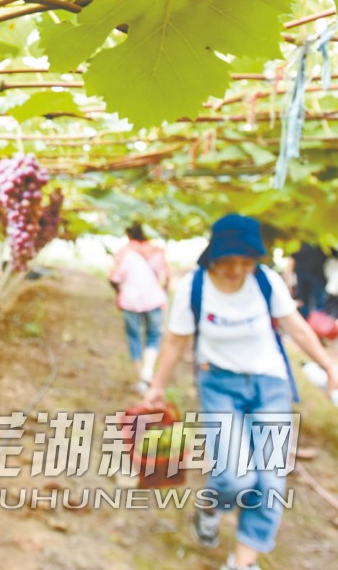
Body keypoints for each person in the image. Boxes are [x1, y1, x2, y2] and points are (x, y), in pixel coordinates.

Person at [143, 214, 338, 570]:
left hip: (270, 384)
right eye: (228, 261)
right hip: (219, 384)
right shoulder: (195, 287)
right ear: (213, 255)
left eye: (245, 262)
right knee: (235, 475)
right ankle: (212, 505)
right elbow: (175, 340)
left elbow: (295, 327)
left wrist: (327, 365)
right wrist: (156, 386)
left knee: (270, 479)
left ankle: (243, 562)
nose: (237, 269)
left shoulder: (265, 281)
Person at [109, 222, 170, 393]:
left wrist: (119, 292)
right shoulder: (156, 252)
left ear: (129, 235)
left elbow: (114, 277)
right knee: (153, 336)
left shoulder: (124, 253)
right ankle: (148, 372)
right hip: (154, 299)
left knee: (134, 337)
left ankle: (141, 378)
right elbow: (165, 277)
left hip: (130, 301)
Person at [291, 243, 327, 318]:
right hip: (307, 275)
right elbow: (292, 258)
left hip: (314, 275)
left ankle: (318, 322)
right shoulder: (299, 241)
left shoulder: (322, 241)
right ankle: (309, 320)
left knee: (317, 301)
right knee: (305, 301)